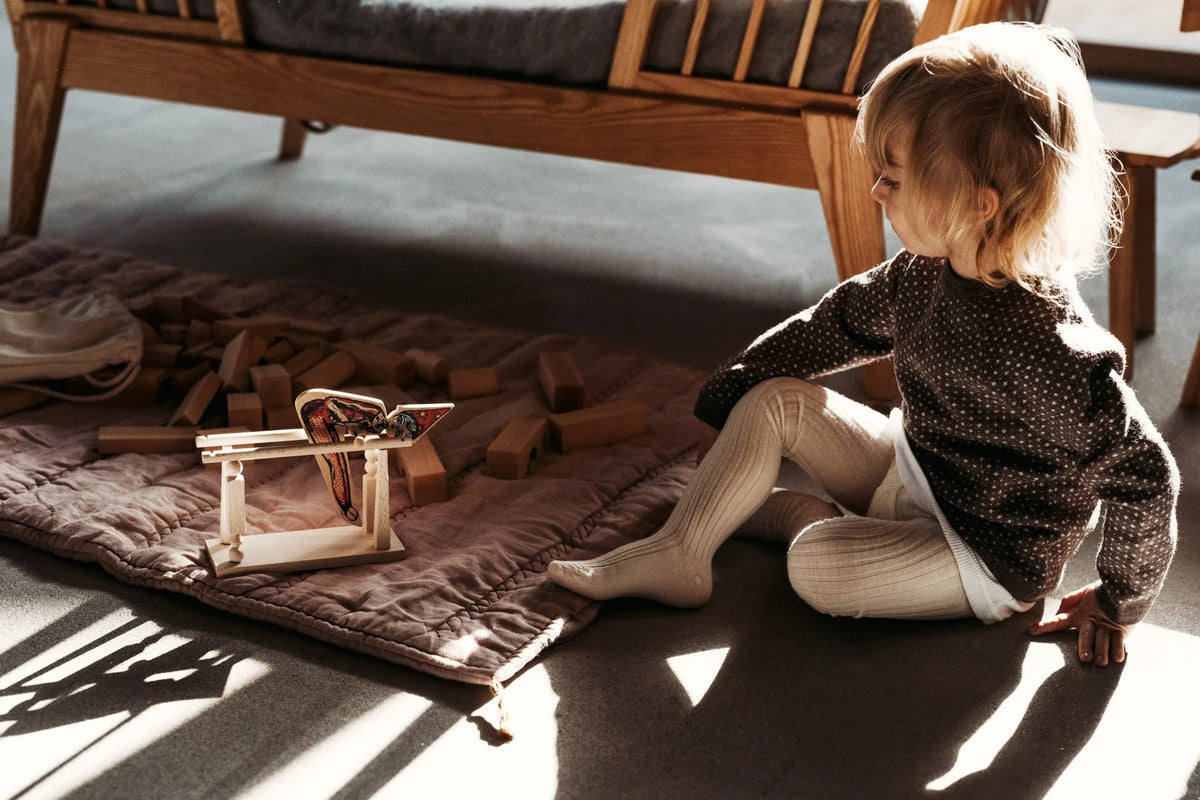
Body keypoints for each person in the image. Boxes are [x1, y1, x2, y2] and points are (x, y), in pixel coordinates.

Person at [546, 22, 1179, 668]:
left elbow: (1146, 475)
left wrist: (1120, 598)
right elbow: (831, 327)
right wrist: (728, 395)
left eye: (894, 179)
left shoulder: (1053, 352)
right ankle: (683, 551)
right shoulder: (922, 272)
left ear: (978, 204)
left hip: (982, 552)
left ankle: (785, 517)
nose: (876, 190)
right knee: (774, 399)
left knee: (814, 564)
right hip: (918, 466)